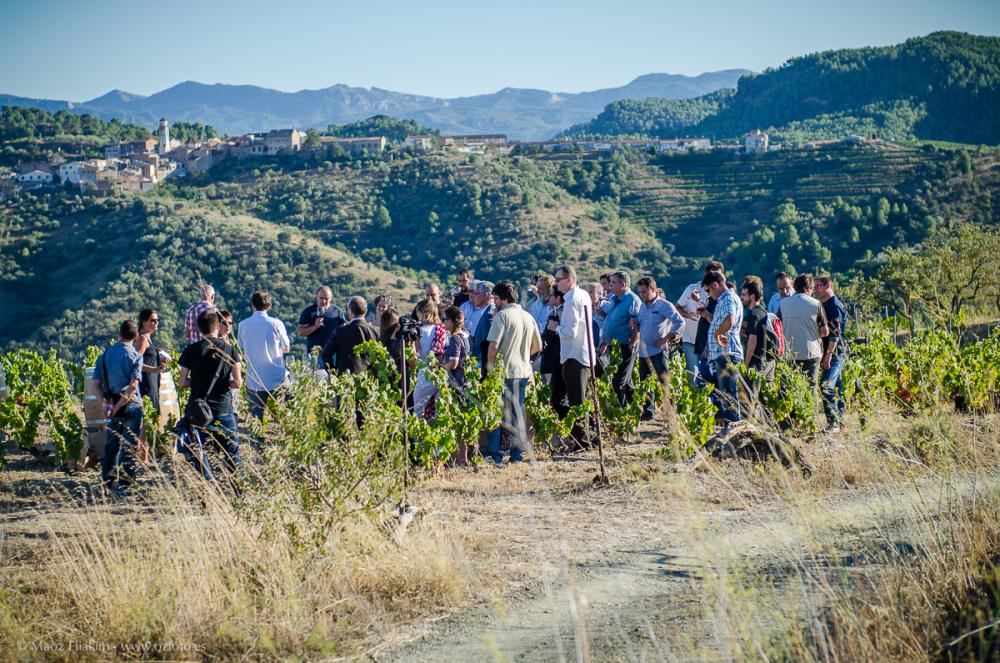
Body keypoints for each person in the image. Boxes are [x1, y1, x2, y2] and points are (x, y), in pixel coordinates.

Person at [177, 310, 243, 484]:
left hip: (199, 411)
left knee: (199, 449)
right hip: (223, 408)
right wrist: (224, 383)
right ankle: (238, 488)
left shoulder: (190, 350)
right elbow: (237, 383)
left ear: (199, 328)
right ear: (217, 326)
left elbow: (182, 382)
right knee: (232, 450)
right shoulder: (230, 350)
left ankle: (208, 481)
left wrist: (197, 383)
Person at [484, 281, 542, 464]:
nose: (494, 302)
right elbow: (538, 346)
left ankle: (495, 455)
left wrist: (490, 367)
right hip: (523, 371)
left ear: (504, 299)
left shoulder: (502, 316)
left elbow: (493, 346)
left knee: (495, 413)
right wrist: (524, 356)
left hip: (503, 372)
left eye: (496, 298)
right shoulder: (528, 316)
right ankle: (516, 455)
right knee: (518, 416)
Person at [548, 265, 596, 447]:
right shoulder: (582, 295)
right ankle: (591, 436)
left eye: (558, 279)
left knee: (577, 401)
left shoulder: (571, 301)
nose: (556, 283)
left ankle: (582, 441)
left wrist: (555, 327)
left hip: (574, 356)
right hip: (584, 354)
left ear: (568, 280)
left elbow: (571, 332)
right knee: (584, 401)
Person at [97, 320, 144, 496]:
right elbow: (132, 387)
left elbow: (95, 384)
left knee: (112, 444)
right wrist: (117, 406)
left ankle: (107, 483)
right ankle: (126, 485)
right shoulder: (136, 357)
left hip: (111, 403)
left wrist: (106, 403)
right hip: (131, 405)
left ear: (119, 334)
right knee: (129, 445)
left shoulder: (105, 355)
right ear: (136, 336)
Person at [634, 277, 684, 420]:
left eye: (644, 292)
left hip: (659, 351)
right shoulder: (642, 306)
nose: (641, 295)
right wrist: (636, 325)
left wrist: (666, 338)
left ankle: (672, 414)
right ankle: (648, 413)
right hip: (643, 352)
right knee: (645, 384)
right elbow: (642, 324)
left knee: (665, 382)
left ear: (653, 290)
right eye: (640, 292)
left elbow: (680, 322)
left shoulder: (664, 305)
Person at [237, 291, 290, 421]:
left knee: (256, 421)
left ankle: (256, 441)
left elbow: (241, 347)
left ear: (252, 305)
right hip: (276, 377)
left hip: (254, 378)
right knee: (282, 418)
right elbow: (286, 348)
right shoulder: (277, 324)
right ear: (269, 305)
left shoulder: (242, 325)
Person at [703, 271, 743, 423]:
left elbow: (730, 320)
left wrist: (718, 334)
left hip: (727, 353)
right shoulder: (726, 298)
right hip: (723, 354)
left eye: (708, 290)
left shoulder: (727, 298)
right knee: (727, 396)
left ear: (715, 285)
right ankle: (732, 430)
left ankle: (735, 432)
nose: (708, 294)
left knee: (729, 396)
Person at [778, 274, 829, 388]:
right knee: (810, 391)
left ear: (795, 287)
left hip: (789, 353)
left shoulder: (783, 304)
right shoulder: (816, 304)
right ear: (810, 288)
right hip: (811, 353)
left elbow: (778, 327)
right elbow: (825, 331)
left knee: (787, 389)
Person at [600, 271, 641, 407]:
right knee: (626, 380)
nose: (610, 286)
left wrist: (633, 343)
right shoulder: (614, 299)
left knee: (618, 381)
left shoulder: (632, 300)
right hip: (614, 346)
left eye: (613, 283)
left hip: (626, 346)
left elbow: (636, 324)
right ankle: (634, 407)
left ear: (623, 285)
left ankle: (622, 412)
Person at [678, 261, 723, 386]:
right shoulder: (692, 289)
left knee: (709, 378)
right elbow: (678, 307)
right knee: (693, 376)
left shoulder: (722, 295)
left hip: (710, 343)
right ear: (705, 274)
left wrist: (699, 301)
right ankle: (696, 403)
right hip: (691, 339)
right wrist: (687, 315)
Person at [815, 275, 847, 432]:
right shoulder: (825, 304)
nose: (815, 290)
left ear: (828, 285)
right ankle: (840, 422)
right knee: (837, 389)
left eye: (818, 286)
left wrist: (828, 355)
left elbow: (835, 334)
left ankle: (833, 423)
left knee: (826, 386)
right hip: (832, 353)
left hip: (834, 353)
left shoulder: (834, 306)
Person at [322, 296, 379, 374]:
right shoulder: (375, 331)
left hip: (345, 380)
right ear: (366, 311)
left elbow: (326, 354)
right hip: (369, 380)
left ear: (350, 312)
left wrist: (333, 375)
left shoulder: (339, 331)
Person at [413, 299, 449, 420]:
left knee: (418, 411)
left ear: (425, 313)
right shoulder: (442, 329)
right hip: (440, 374)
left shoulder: (421, 331)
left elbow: (416, 353)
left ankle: (416, 438)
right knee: (439, 413)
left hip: (425, 373)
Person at [297, 286, 344, 365]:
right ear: (317, 297)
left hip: (334, 354)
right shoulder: (308, 312)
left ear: (331, 298)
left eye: (326, 299)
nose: (324, 301)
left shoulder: (337, 311)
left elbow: (343, 329)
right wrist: (315, 327)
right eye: (321, 298)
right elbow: (300, 332)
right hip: (315, 355)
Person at [740, 276, 775, 380]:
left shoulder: (753, 315)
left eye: (744, 295)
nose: (741, 297)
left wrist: (745, 365)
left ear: (752, 296)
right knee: (766, 395)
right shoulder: (763, 311)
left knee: (751, 394)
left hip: (756, 362)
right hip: (769, 361)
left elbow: (752, 341)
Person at [540, 289, 567, 417]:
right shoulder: (557, 311)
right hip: (556, 355)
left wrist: (540, 341)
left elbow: (549, 335)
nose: (548, 298)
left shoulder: (559, 313)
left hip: (556, 356)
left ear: (557, 299)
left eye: (551, 296)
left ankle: (559, 416)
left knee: (557, 388)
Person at [135, 308, 166, 413]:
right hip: (146, 383)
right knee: (148, 414)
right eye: (152, 320)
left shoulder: (148, 339)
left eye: (157, 320)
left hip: (152, 381)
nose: (156, 322)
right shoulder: (142, 339)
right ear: (144, 322)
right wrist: (154, 369)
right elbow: (135, 363)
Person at [468, 281, 497, 374]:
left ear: (485, 295)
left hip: (482, 365)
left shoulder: (489, 315)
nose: (473, 296)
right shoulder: (486, 312)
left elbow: (486, 344)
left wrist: (482, 367)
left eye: (476, 293)